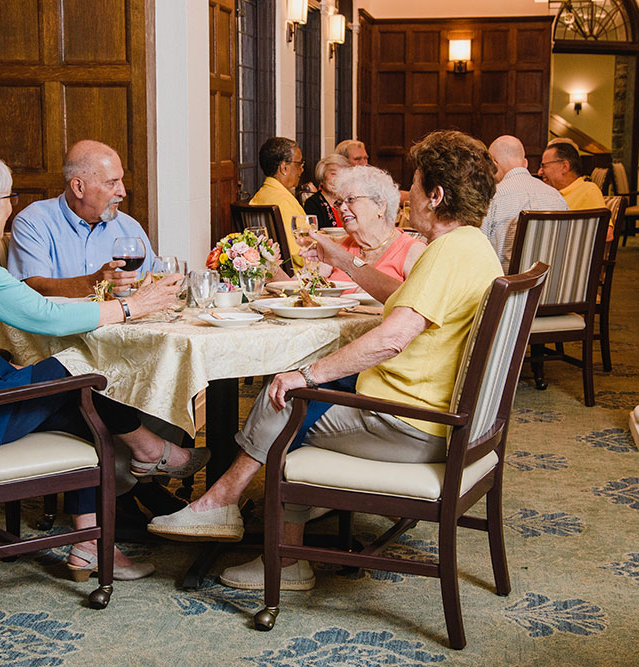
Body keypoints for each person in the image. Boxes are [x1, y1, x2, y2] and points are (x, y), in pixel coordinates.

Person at [148, 130, 503, 592]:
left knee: (284, 401)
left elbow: (391, 338)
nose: (404, 196)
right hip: (444, 420)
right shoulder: (473, 248)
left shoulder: (443, 253)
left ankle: (266, 541)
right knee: (300, 393)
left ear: (435, 196)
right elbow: (401, 299)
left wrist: (307, 373)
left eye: (412, 186)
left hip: (412, 426)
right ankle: (233, 508)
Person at [0, 150, 208, 581]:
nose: (12, 205)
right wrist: (131, 308)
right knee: (83, 371)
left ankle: (91, 541)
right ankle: (151, 452)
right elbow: (43, 316)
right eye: (9, 196)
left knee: (77, 405)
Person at [7, 140, 155, 297]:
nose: (123, 192)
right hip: (65, 320)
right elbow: (32, 288)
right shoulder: (33, 222)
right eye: (111, 183)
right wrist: (93, 284)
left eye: (121, 181)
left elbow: (155, 275)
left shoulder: (129, 227)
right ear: (78, 187)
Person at [303, 165, 426, 303]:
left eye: (351, 199)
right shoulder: (338, 246)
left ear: (380, 205)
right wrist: (274, 268)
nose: (342, 208)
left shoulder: (412, 251)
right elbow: (300, 290)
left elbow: (420, 304)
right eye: (339, 202)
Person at [481, 135, 567, 270]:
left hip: (509, 288)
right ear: (525, 163)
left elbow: (480, 252)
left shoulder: (493, 198)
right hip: (558, 287)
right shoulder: (557, 198)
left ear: (494, 164)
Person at [250, 137, 306, 261]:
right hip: (294, 276)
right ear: (284, 168)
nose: (302, 170)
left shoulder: (258, 197)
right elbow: (300, 253)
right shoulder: (284, 202)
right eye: (299, 164)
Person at [538, 141, 608, 212]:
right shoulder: (549, 193)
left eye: (544, 166)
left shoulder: (588, 192)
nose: (539, 172)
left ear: (564, 167)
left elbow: (603, 223)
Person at [303, 153, 350, 229]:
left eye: (342, 175)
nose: (337, 180)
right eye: (333, 174)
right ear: (322, 179)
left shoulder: (350, 202)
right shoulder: (313, 204)